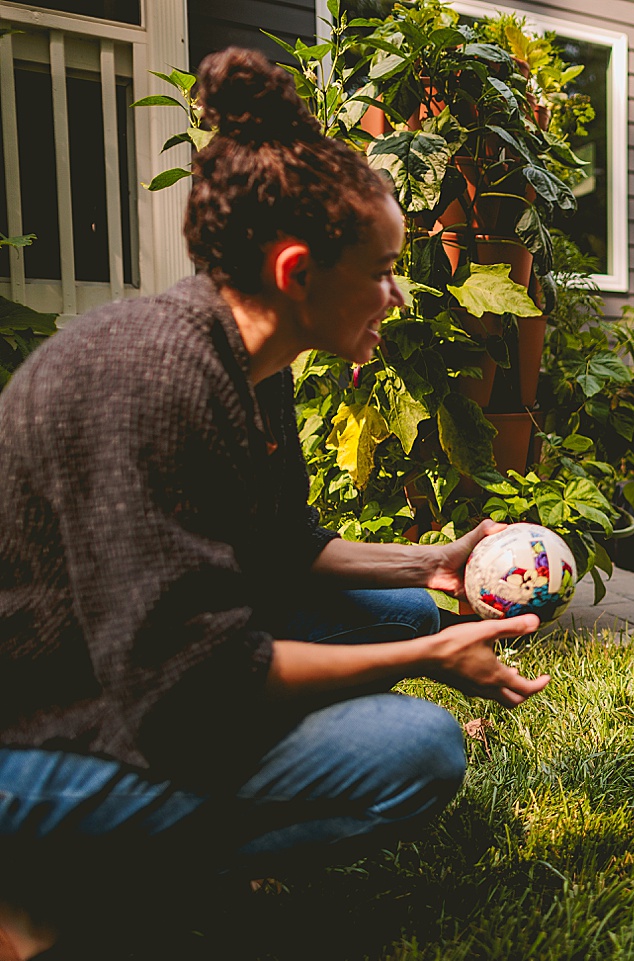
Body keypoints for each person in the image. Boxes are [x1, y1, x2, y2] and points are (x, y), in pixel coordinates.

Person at [0, 48, 548, 959]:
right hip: (36, 721)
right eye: (380, 270)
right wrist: (431, 655)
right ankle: (51, 879)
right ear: (297, 271)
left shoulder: (250, 363)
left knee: (400, 603)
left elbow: (283, 544)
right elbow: (193, 683)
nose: (394, 294)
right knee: (417, 747)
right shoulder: (149, 379)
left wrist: (432, 565)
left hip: (119, 662)